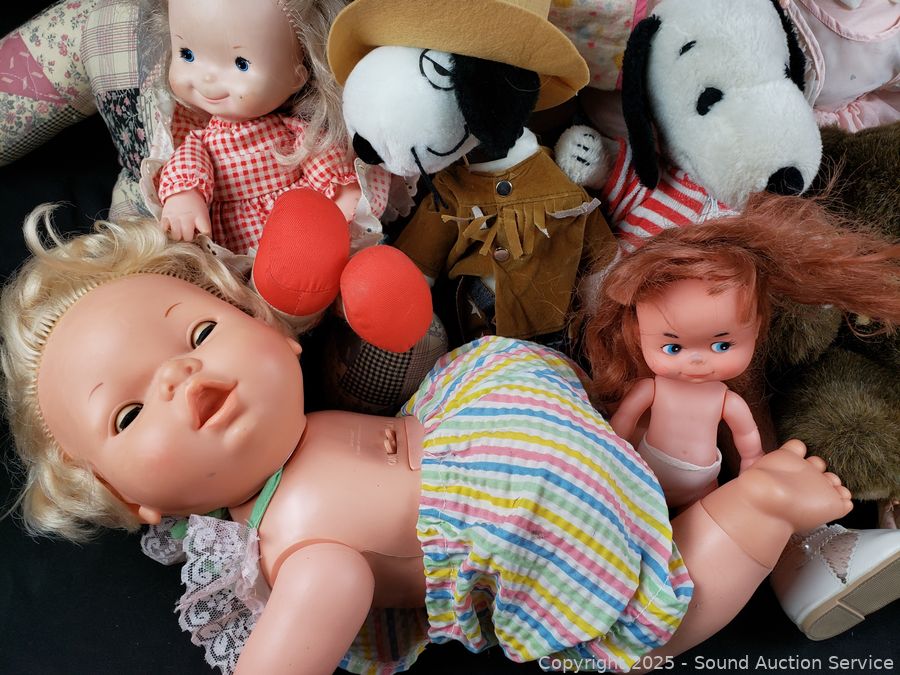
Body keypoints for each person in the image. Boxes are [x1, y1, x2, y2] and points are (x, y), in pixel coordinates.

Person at [0, 205, 853, 674]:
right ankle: (759, 501)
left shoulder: (301, 483)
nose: (180, 377)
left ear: (274, 335)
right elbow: (323, 599)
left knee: (643, 613)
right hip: (515, 487)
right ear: (131, 501)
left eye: (198, 334)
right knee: (641, 594)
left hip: (489, 442)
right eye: (129, 414)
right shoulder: (292, 545)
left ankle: (729, 500)